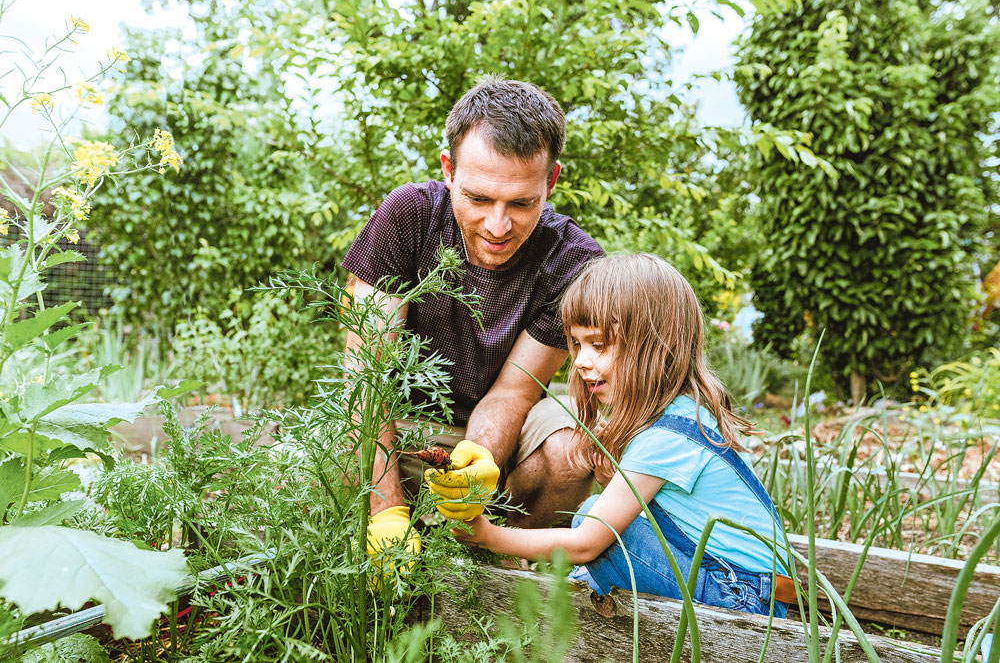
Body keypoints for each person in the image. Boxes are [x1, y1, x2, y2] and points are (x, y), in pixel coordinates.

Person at [341, 77, 604, 568]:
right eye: (479, 199)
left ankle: (499, 565)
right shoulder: (408, 217)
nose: (498, 227)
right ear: (448, 169)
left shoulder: (573, 260)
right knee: (318, 467)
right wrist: (385, 511)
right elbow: (366, 377)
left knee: (573, 448)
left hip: (506, 425)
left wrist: (477, 459)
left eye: (522, 203)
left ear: (550, 183)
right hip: (405, 422)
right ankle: (389, 538)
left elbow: (514, 392)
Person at [447, 254, 796, 616]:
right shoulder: (681, 413)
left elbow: (587, 543)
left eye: (598, 345)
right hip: (741, 585)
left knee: (594, 526)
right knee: (599, 529)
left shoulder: (667, 438)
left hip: (744, 598)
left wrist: (490, 536)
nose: (580, 360)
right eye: (577, 344)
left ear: (655, 348)